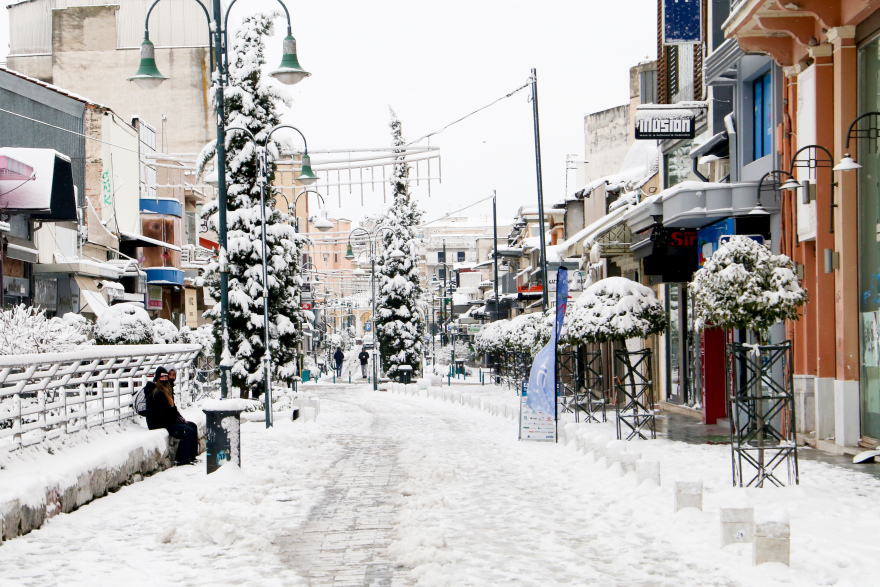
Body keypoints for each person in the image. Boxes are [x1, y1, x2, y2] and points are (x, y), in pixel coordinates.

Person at [145, 367, 198, 465]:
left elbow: (171, 409)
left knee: (193, 426)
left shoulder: (165, 391)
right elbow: (164, 412)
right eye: (162, 377)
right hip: (159, 424)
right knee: (188, 431)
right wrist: (179, 421)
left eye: (166, 377)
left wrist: (181, 419)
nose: (165, 379)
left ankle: (191, 456)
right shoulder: (157, 393)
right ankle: (182, 459)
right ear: (158, 378)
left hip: (167, 421)